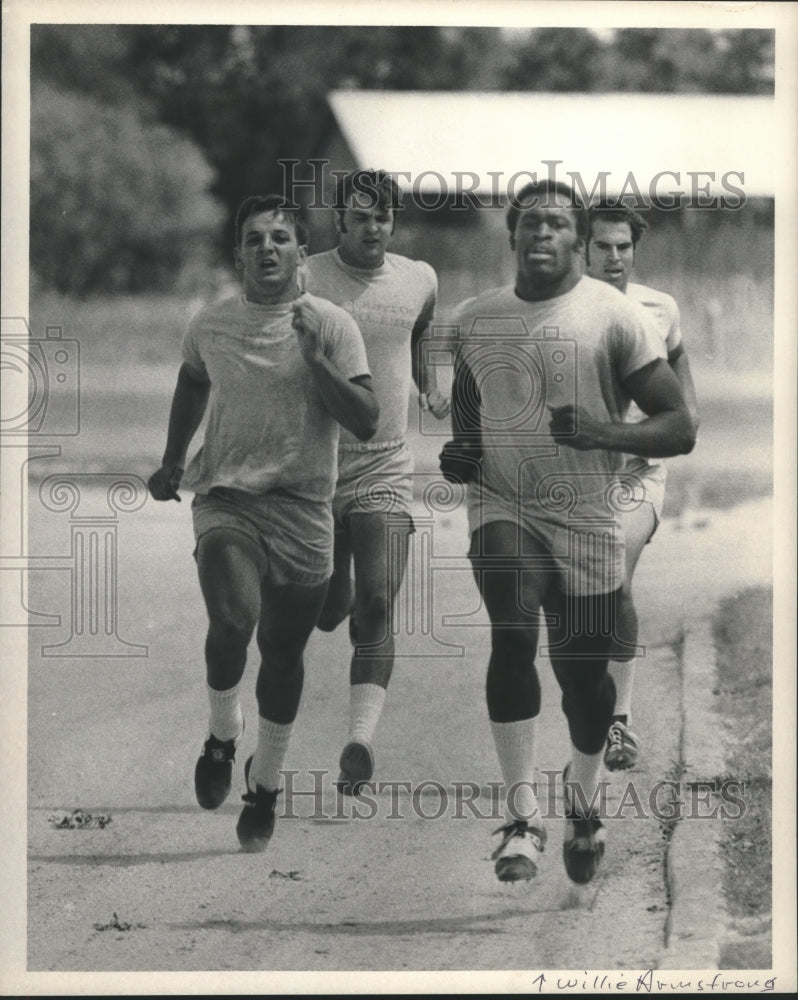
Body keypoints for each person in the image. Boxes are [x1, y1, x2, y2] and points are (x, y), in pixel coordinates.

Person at [440, 180, 696, 885]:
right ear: (513, 235)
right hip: (504, 506)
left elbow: (680, 426)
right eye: (529, 222)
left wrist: (600, 433)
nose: (541, 233)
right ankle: (522, 818)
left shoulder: (616, 317)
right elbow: (468, 391)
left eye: (556, 222)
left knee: (586, 691)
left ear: (578, 240)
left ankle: (583, 800)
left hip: (589, 518)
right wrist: (463, 446)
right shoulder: (476, 317)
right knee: (514, 631)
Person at [147, 195, 378, 853]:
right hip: (226, 500)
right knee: (232, 621)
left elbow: (364, 418)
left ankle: (267, 782)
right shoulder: (211, 325)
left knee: (282, 653)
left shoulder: (332, 326)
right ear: (240, 254)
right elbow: (193, 380)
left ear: (303, 254)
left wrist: (317, 360)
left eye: (281, 238)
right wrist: (171, 460)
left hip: (305, 511)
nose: (268, 248)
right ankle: (223, 734)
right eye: (255, 239)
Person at [302, 170, 450, 796]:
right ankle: (334, 602)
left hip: (387, 467)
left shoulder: (419, 278)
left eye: (382, 218)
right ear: (340, 221)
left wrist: (427, 382)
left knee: (380, 601)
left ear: (394, 221)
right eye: (360, 218)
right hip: (315, 470)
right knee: (333, 612)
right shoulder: (306, 276)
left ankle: (359, 740)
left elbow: (417, 332)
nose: (373, 229)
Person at [584, 203, 699, 772]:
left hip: (638, 475)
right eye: (602, 246)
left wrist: (685, 424)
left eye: (622, 247)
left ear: (635, 249)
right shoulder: (561, 307)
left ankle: (620, 723)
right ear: (583, 248)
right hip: (575, 482)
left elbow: (682, 386)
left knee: (616, 581)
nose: (613, 257)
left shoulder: (660, 307)